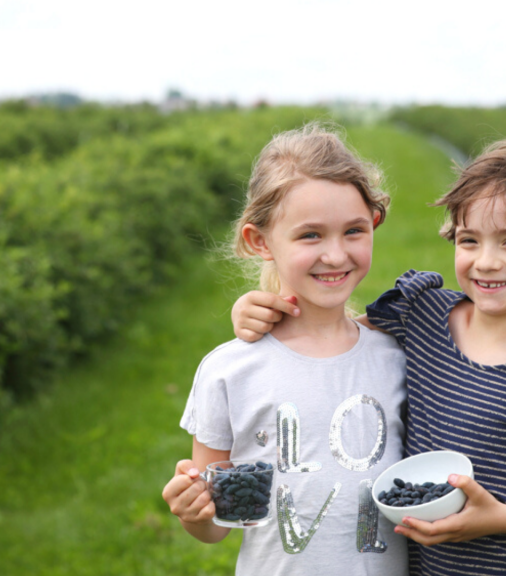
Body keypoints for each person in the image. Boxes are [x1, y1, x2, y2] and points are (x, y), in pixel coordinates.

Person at [229, 138, 506, 575]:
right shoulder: (422, 316)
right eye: (469, 240)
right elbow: (330, 335)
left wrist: (505, 516)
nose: (486, 261)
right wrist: (260, 309)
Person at [161, 122, 411, 576]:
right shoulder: (228, 371)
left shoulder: (398, 357)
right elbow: (218, 525)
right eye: (310, 236)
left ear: (374, 223)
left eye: (353, 231)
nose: (335, 255)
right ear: (261, 242)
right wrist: (194, 512)